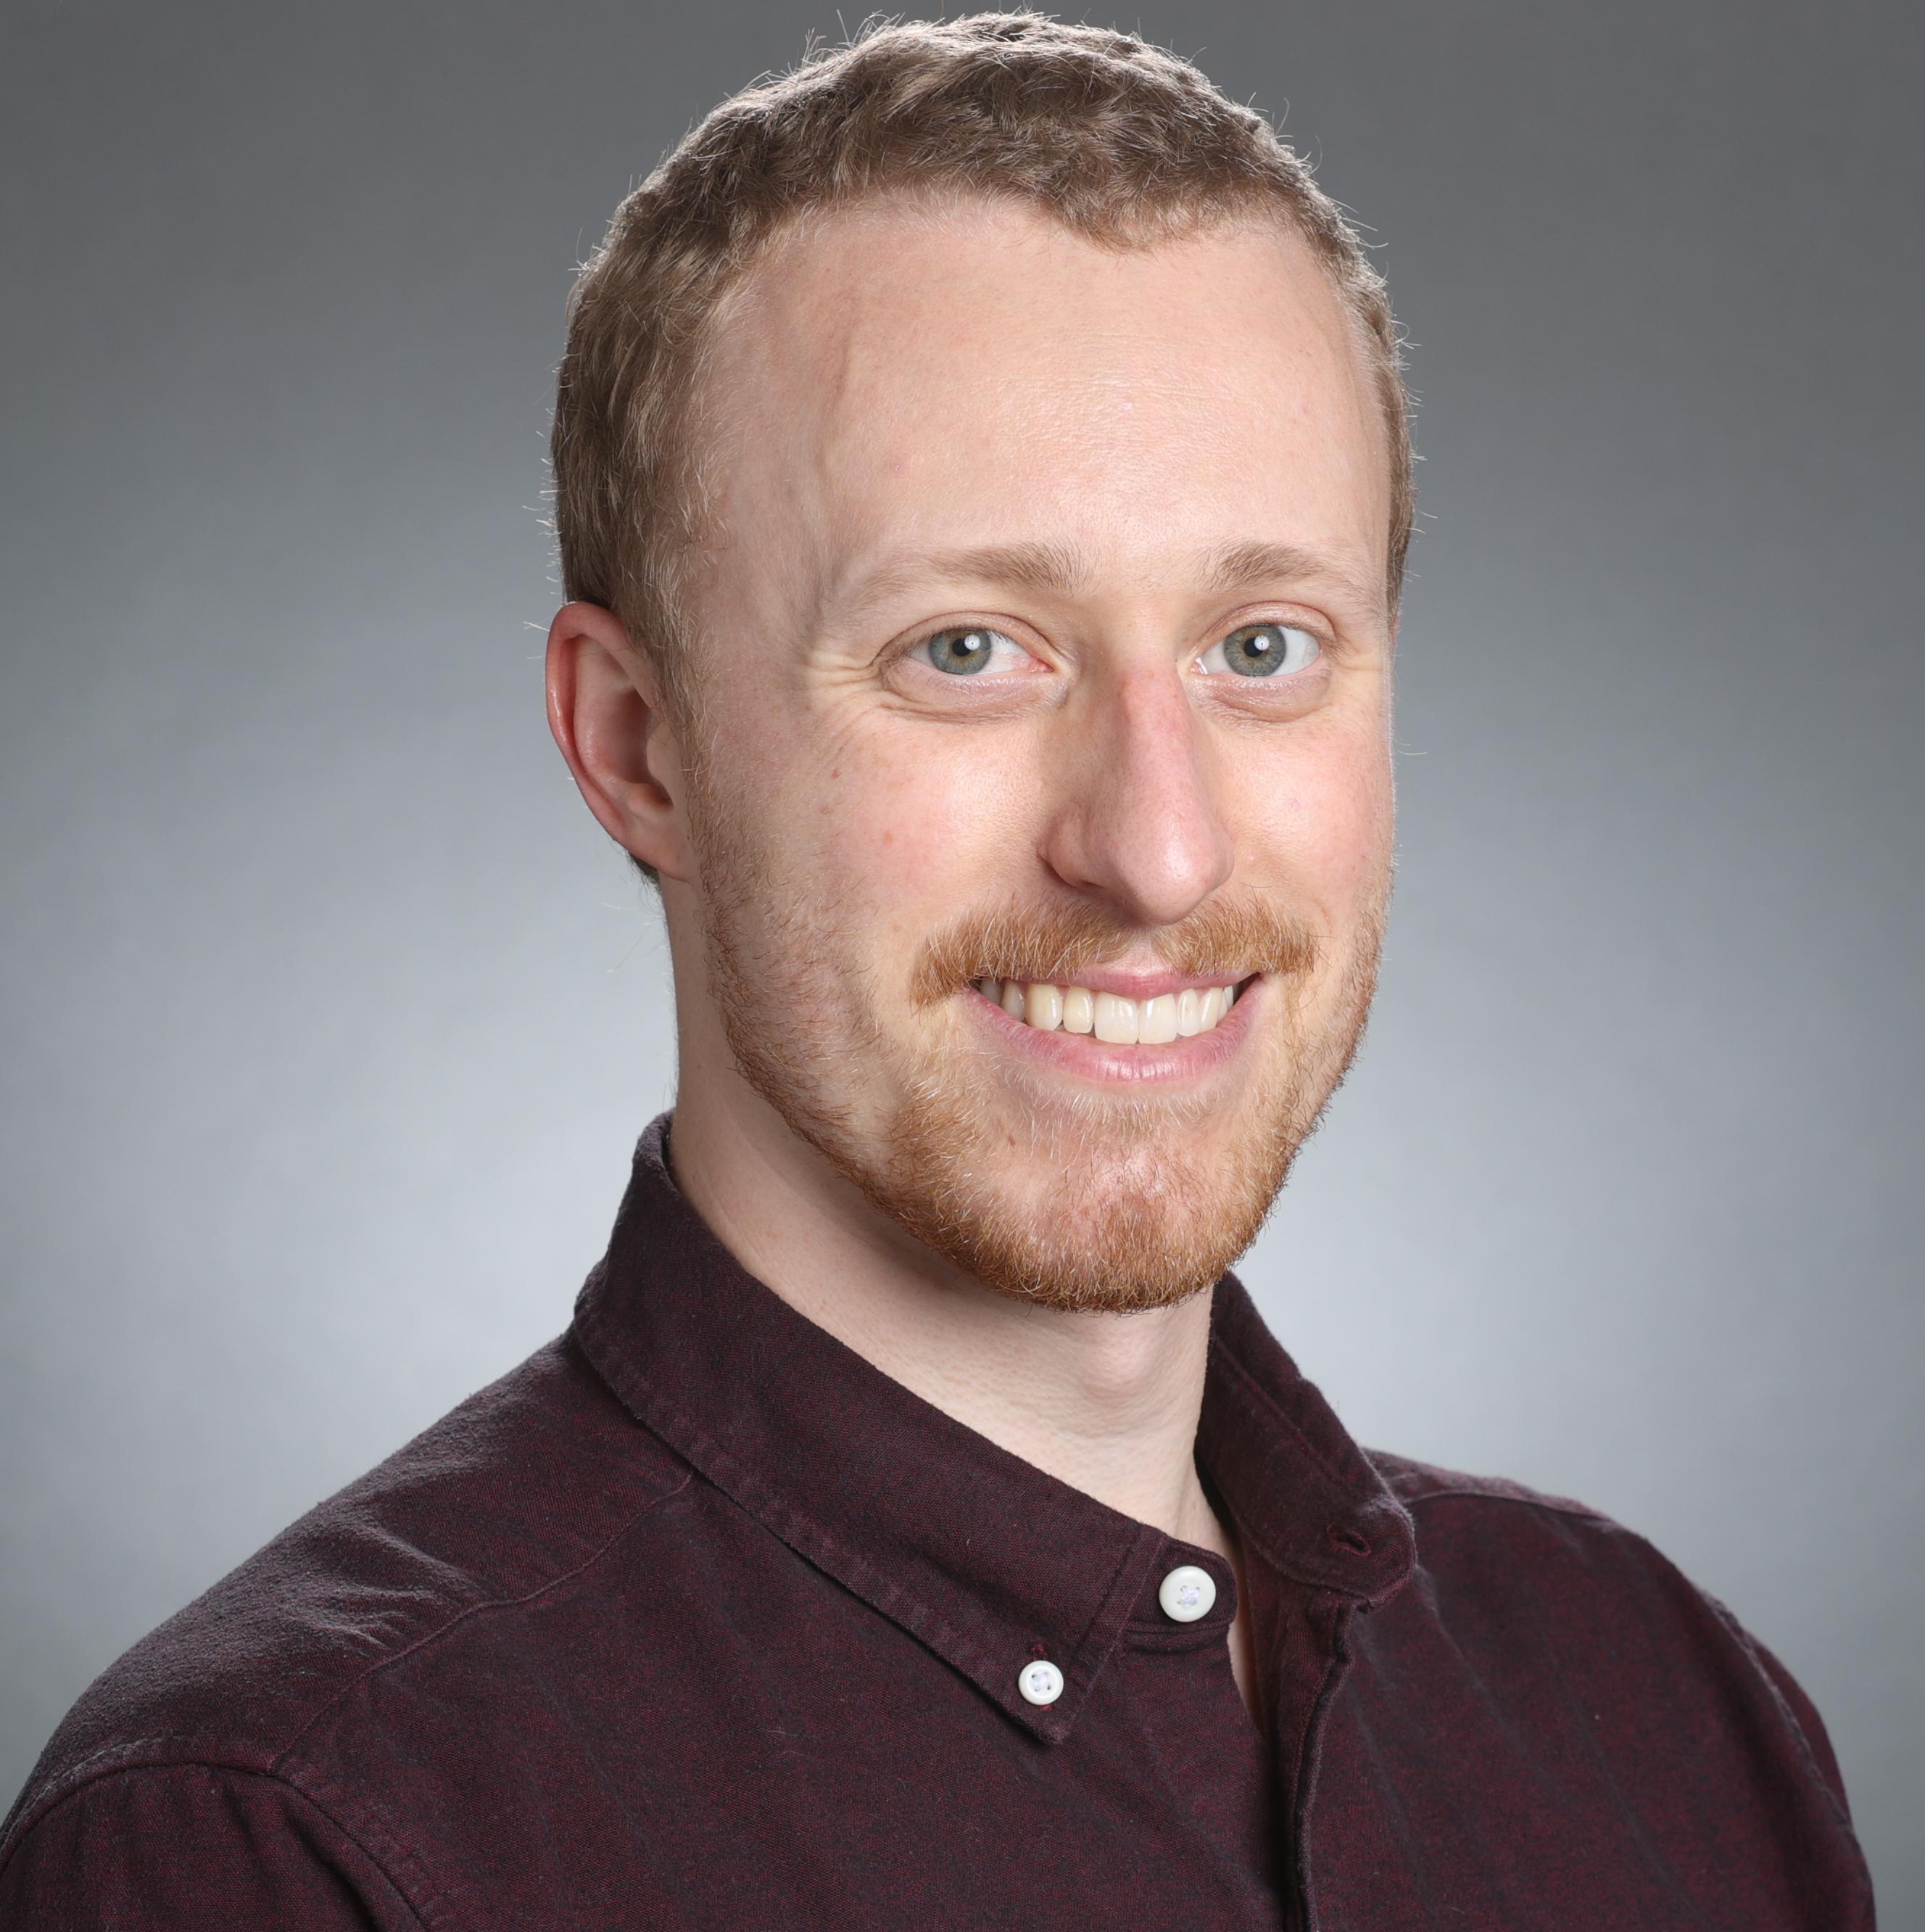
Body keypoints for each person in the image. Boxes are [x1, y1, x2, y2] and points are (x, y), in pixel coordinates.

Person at [0, 12, 1876, 1928]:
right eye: (968, 651)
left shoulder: (1665, 1717)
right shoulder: (282, 1843)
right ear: (640, 746)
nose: (1158, 850)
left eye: (1261, 649)